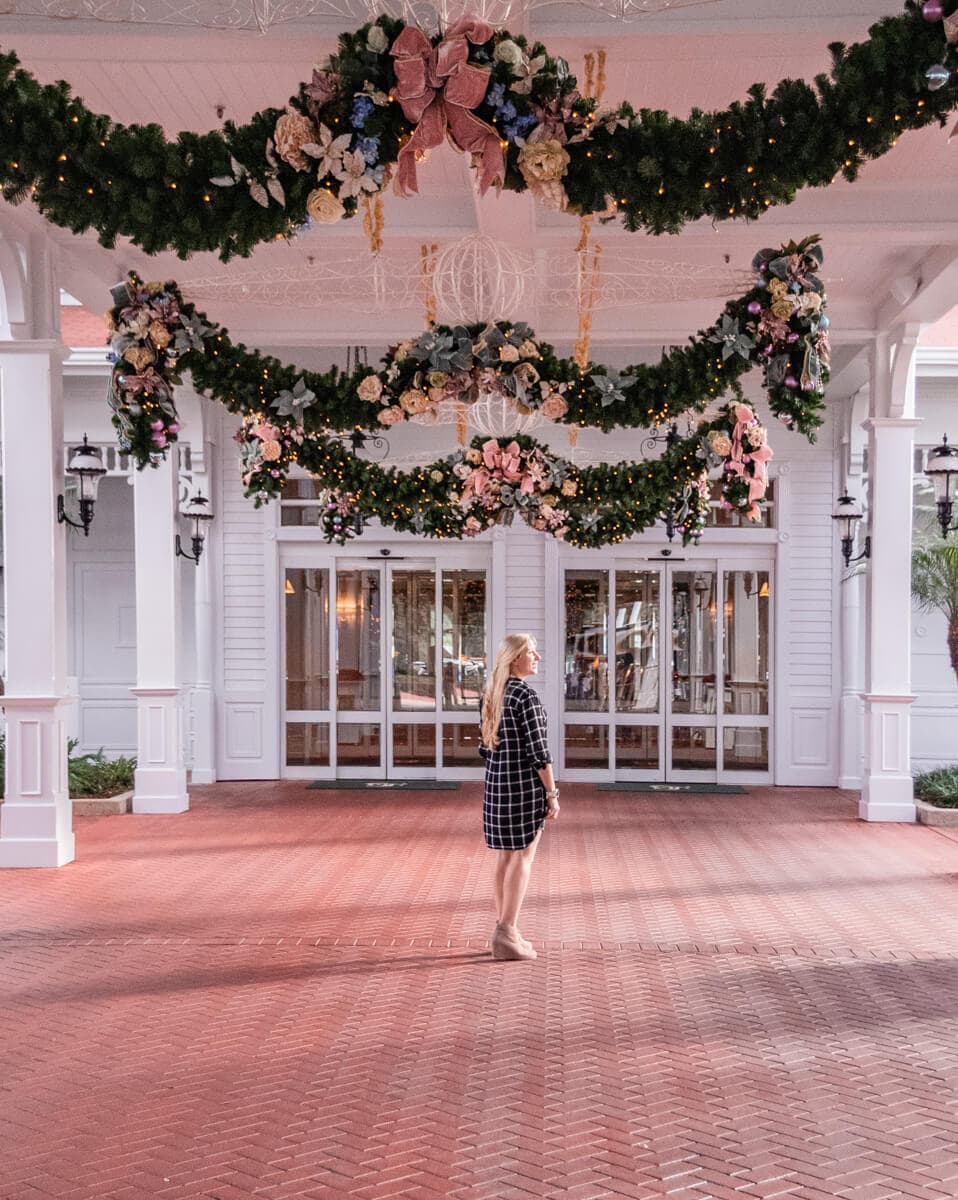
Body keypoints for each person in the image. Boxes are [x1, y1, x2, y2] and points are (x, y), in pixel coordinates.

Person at [479, 633, 559, 962]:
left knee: (506, 858)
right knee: (522, 859)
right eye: (532, 653)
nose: (537, 657)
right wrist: (551, 794)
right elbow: (539, 752)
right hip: (524, 789)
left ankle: (505, 930)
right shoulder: (525, 696)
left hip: (497, 786)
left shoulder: (492, 694)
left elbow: (485, 748)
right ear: (516, 659)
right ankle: (507, 931)